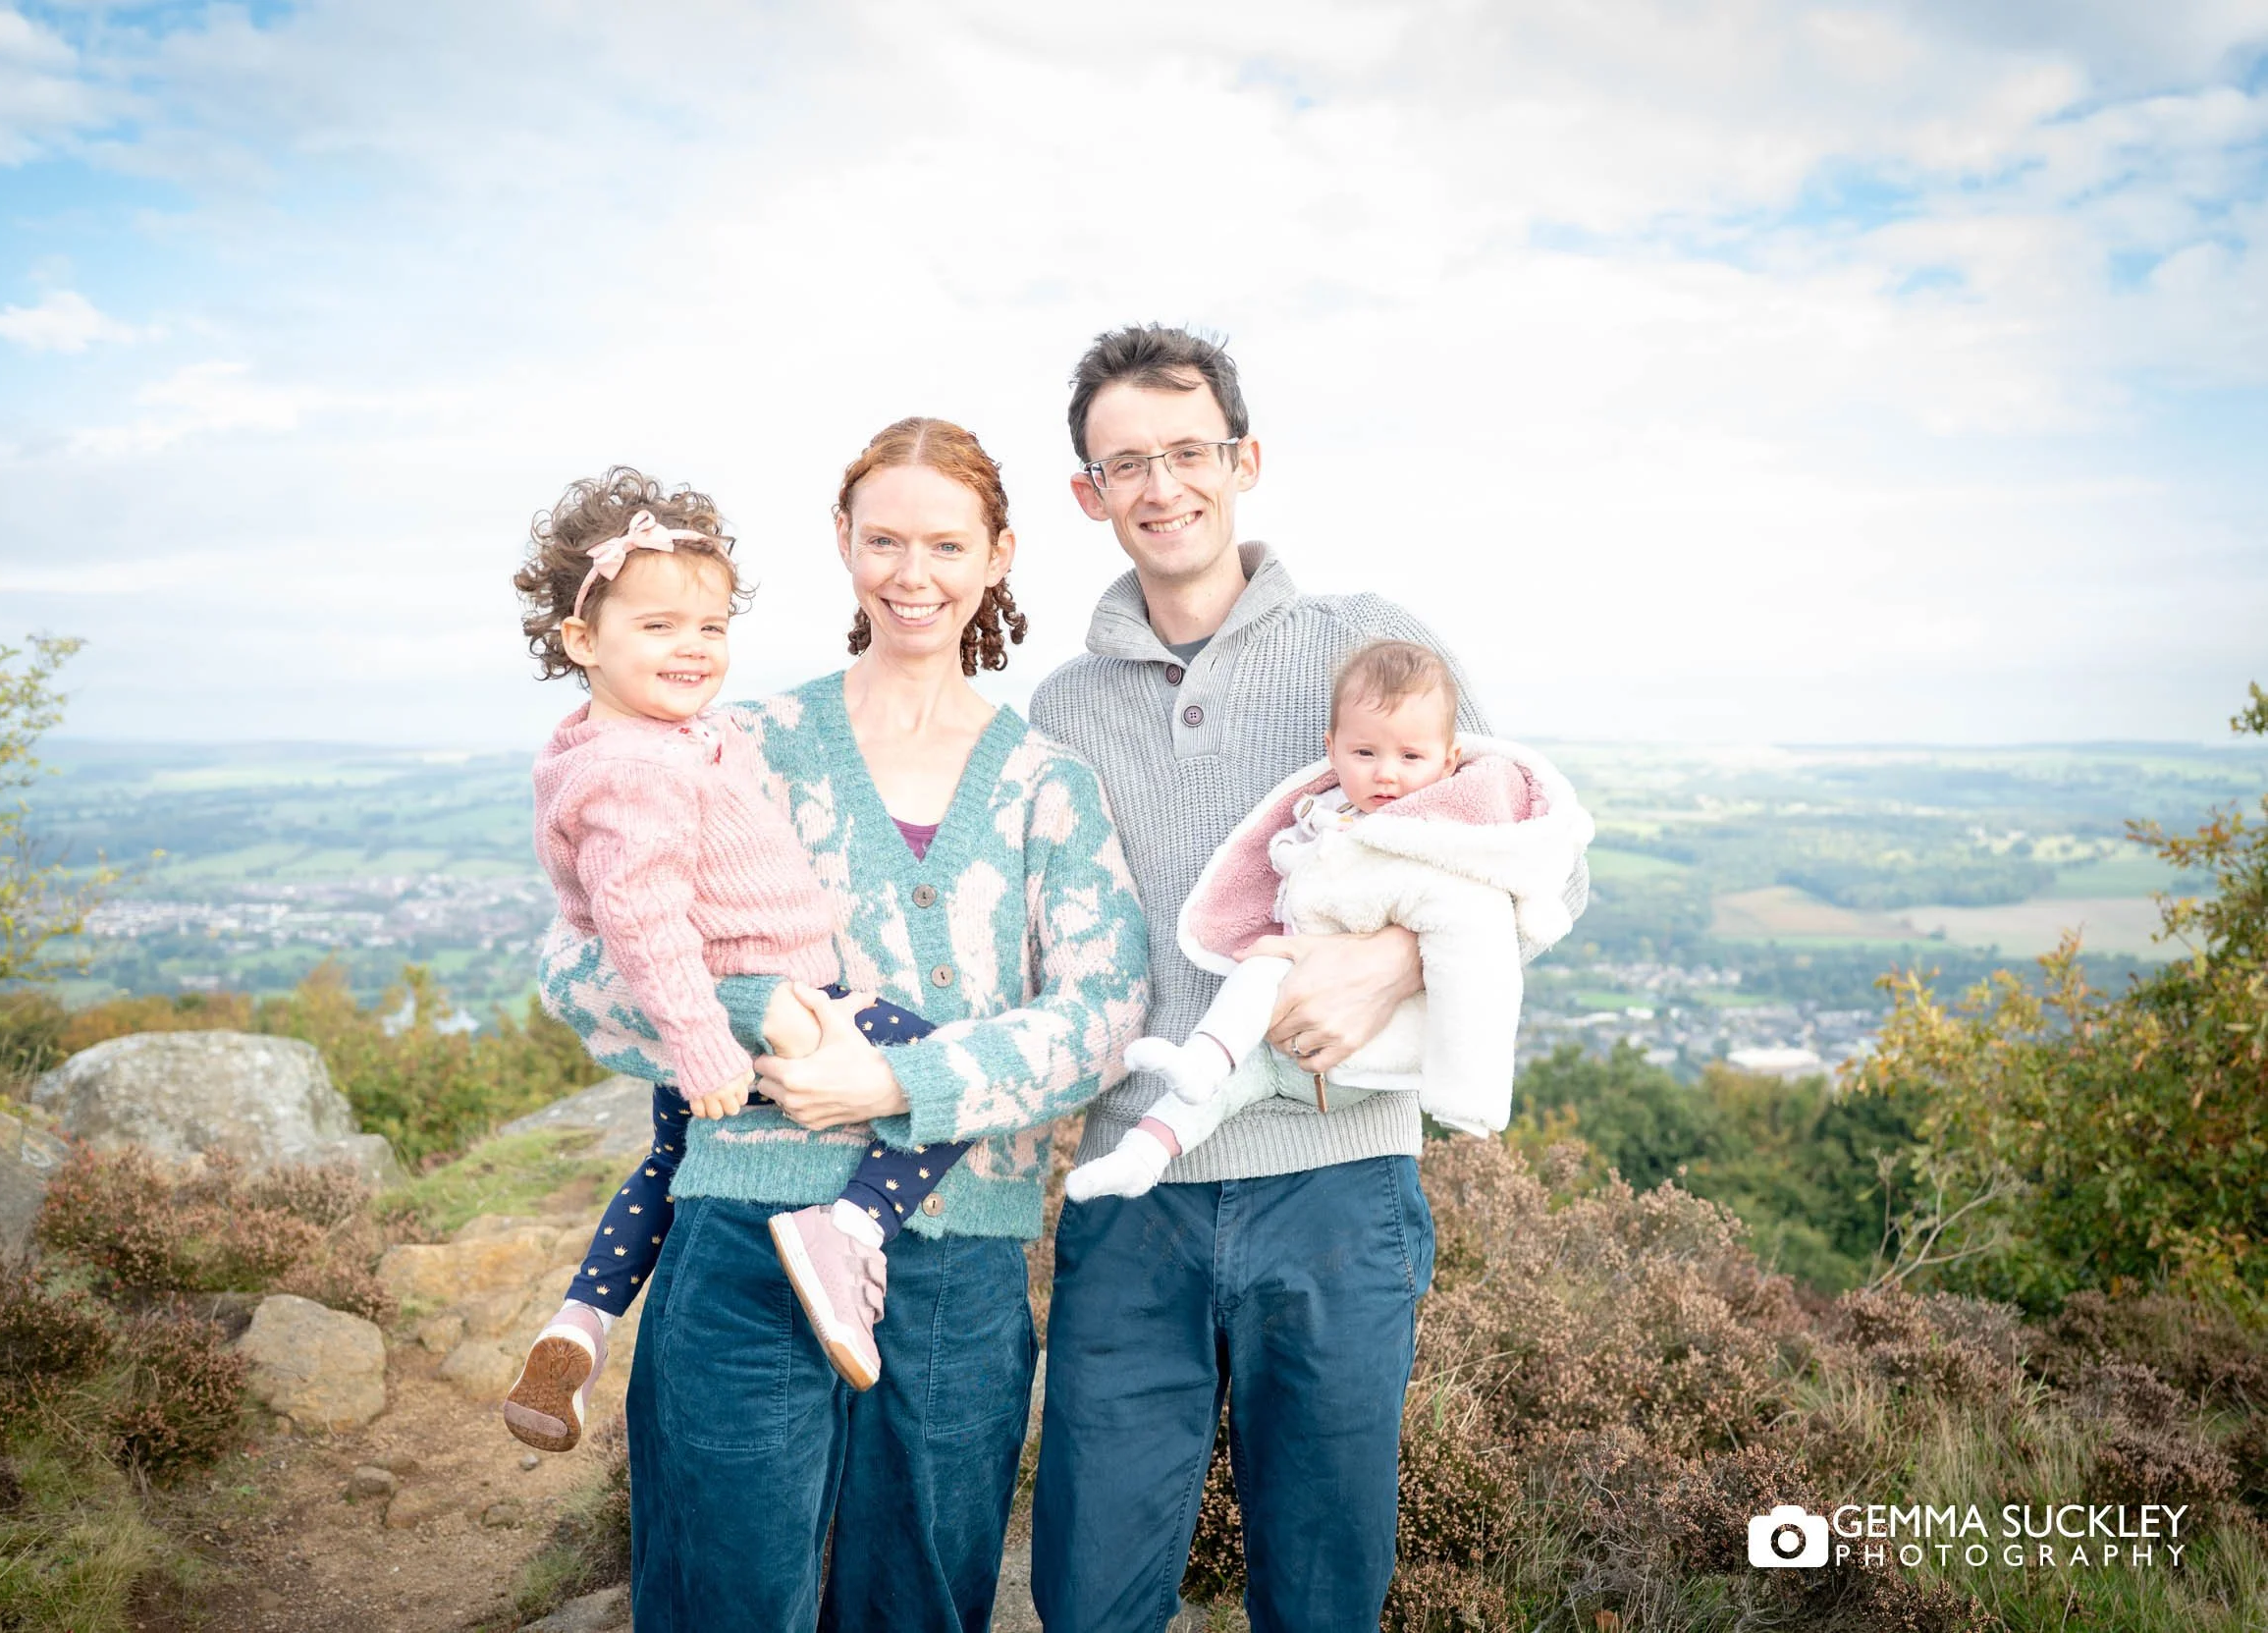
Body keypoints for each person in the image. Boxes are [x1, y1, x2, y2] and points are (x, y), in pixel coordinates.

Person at [535, 418, 1152, 1632]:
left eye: (943, 542)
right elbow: (577, 967)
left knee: (913, 1604)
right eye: (883, 539)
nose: (910, 572)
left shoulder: (1046, 783)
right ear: (843, 545)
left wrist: (893, 1082)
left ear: (998, 554)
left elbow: (1104, 1012)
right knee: (725, 1594)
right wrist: (768, 1019)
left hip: (957, 1262)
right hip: (742, 1235)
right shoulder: (732, 742)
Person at [1028, 326, 1590, 1632]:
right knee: (1089, 1588)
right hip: (1136, 1191)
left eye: (1188, 451)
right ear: (1088, 493)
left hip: (1340, 1185)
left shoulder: (1369, 641)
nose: (1162, 486)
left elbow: (1540, 858)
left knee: (1325, 1591)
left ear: (1244, 460)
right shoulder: (1062, 709)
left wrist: (1394, 956)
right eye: (1126, 463)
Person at [498, 467, 982, 1456]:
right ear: (582, 640)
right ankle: (846, 1230)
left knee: (666, 1161)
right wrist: (708, 1037)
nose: (693, 649)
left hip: (719, 1024)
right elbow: (637, 916)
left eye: (710, 628)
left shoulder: (622, 742)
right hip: (766, 1007)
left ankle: (577, 1324)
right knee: (947, 1076)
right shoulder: (636, 769)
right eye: (660, 627)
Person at [1065, 638, 1593, 1202]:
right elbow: (1289, 862)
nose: (1386, 774)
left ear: (1449, 760)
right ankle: (1143, 1151)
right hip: (1275, 1049)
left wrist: (1467, 1094)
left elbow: (1480, 942)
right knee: (1209, 1089)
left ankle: (1204, 1060)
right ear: (1332, 750)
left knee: (1264, 971)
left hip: (1361, 1070)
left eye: (1410, 758)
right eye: (1364, 754)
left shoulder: (1441, 845)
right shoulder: (1331, 812)